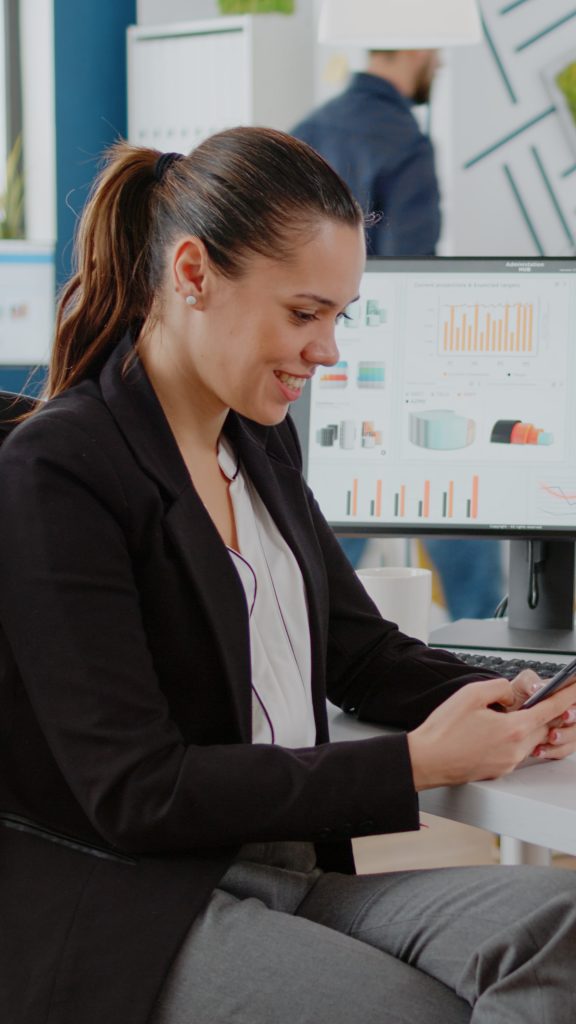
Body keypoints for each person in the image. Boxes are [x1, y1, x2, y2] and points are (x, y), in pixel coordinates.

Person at [1, 128, 576, 1024]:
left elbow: (359, 653)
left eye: (340, 318)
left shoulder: (257, 441)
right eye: (305, 314)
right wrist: (416, 763)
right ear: (193, 274)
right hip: (145, 896)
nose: (328, 351)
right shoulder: (60, 471)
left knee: (564, 926)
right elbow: (139, 793)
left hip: (288, 864)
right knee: (421, 1011)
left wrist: (523, 696)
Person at [292, 50, 504, 617]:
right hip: (390, 371)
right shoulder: (406, 141)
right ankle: (487, 647)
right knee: (458, 520)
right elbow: (413, 280)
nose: (440, 60)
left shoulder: (306, 132)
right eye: (435, 50)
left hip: (313, 368)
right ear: (413, 49)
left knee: (325, 543)